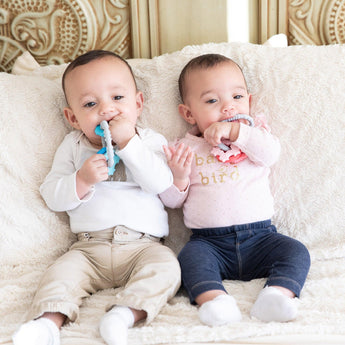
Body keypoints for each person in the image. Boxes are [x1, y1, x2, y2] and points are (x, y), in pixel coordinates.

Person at [12, 50, 181, 345]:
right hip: (89, 248)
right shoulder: (73, 146)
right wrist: (81, 180)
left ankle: (124, 315)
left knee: (167, 268)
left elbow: (160, 183)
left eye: (118, 98)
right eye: (90, 104)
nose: (106, 110)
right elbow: (52, 196)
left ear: (138, 103)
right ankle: (47, 323)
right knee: (60, 274)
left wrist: (129, 143)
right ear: (73, 117)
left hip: (144, 246)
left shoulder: (150, 141)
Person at [160, 53, 310, 326]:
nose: (228, 108)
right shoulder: (185, 149)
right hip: (209, 243)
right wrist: (178, 176)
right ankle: (216, 301)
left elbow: (271, 154)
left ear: (249, 102)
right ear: (189, 113)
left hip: (262, 238)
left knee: (296, 252)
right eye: (212, 101)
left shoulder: (254, 136)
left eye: (237, 98)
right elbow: (171, 201)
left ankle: (276, 295)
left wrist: (236, 133)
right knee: (188, 259)